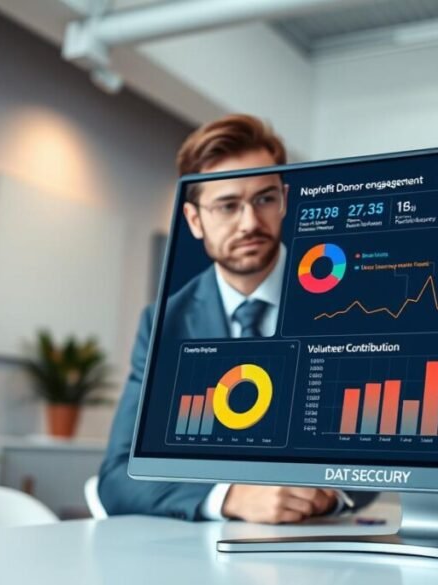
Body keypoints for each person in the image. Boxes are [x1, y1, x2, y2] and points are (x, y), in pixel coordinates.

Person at [99, 114, 378, 523]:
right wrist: (229, 498)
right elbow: (118, 476)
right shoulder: (164, 323)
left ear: (284, 199)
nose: (250, 223)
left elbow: (378, 452)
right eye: (228, 206)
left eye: (264, 199)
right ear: (194, 220)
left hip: (321, 543)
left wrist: (328, 495)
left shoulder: (348, 305)